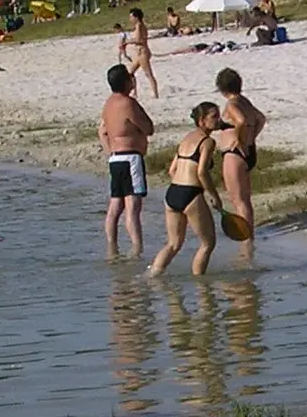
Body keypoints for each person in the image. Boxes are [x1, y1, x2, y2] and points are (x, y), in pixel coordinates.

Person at [148, 103, 221, 277]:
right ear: (202, 121)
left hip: (173, 192)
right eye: (214, 117)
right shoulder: (208, 142)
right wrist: (214, 196)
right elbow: (202, 172)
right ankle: (201, 287)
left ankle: (151, 278)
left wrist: (182, 185)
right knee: (207, 243)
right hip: (190, 193)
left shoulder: (187, 138)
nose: (219, 120)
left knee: (173, 244)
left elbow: (172, 170)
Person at [99, 63, 154, 255]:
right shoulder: (128, 103)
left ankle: (112, 248)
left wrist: (110, 150)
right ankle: (137, 249)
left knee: (115, 205)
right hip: (130, 158)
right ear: (125, 81)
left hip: (115, 158)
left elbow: (102, 132)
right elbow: (148, 128)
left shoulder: (108, 104)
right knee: (133, 207)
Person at [215, 66, 264, 244]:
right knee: (245, 199)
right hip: (248, 151)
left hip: (234, 154)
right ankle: (249, 237)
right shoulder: (245, 102)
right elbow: (261, 119)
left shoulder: (231, 104)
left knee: (238, 200)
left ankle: (246, 240)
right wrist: (251, 137)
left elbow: (241, 121)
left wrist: (239, 139)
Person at [120, 8, 159, 99]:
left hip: (142, 53)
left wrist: (127, 42)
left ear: (136, 17)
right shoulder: (139, 26)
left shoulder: (139, 26)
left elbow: (139, 40)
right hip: (138, 54)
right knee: (130, 73)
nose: (130, 19)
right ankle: (134, 92)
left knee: (148, 74)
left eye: (131, 17)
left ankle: (155, 94)